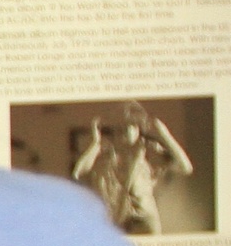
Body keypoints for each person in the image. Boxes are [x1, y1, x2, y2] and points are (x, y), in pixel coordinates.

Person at [70, 101, 196, 235]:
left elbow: (185, 167)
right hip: (116, 219)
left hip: (144, 218)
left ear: (139, 128)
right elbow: (78, 173)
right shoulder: (106, 151)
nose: (127, 130)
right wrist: (95, 144)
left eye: (133, 125)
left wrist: (165, 135)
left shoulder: (148, 149)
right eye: (122, 126)